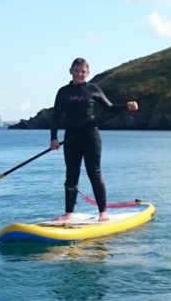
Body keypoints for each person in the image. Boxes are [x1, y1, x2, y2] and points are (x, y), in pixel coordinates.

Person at [50, 58, 138, 222]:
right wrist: (53, 138)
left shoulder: (93, 89)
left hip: (91, 136)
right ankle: (69, 213)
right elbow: (55, 117)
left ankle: (103, 211)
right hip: (71, 137)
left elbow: (110, 108)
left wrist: (126, 106)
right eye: (76, 70)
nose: (79, 74)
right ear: (71, 71)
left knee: (94, 173)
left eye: (83, 71)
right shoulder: (63, 92)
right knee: (71, 174)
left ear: (87, 73)